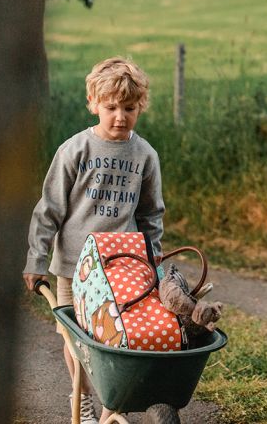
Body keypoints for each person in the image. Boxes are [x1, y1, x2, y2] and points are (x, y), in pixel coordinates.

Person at [23, 57, 164, 424]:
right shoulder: (75, 151)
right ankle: (80, 398)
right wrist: (36, 260)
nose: (120, 116)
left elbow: (151, 214)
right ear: (93, 103)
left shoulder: (145, 155)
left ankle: (111, 405)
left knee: (115, 337)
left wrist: (154, 259)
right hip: (73, 264)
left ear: (140, 107)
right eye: (111, 107)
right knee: (76, 338)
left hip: (122, 267)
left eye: (129, 108)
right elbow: (49, 209)